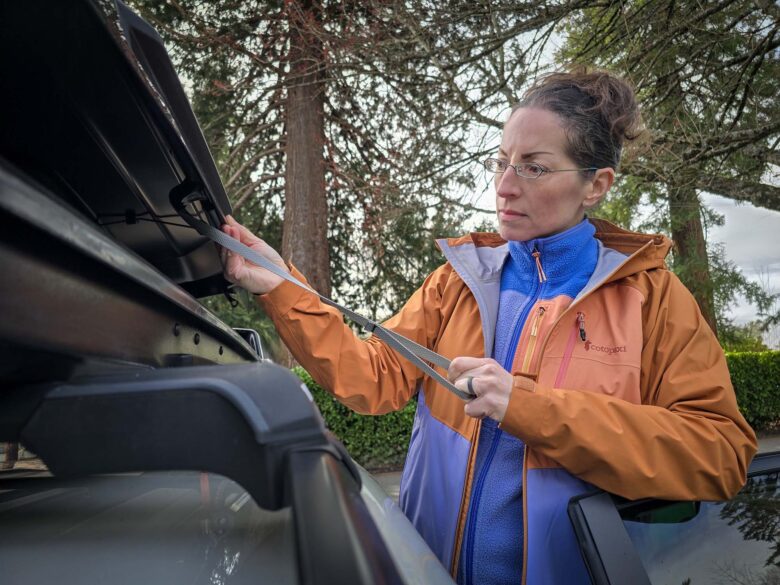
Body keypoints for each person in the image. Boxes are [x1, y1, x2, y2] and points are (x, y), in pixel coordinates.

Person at [221, 69, 757, 585]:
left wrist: (527, 407)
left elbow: (720, 453)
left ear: (596, 185)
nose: (504, 186)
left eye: (534, 168)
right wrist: (279, 284)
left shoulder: (655, 300)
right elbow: (373, 377)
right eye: (501, 162)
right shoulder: (459, 280)